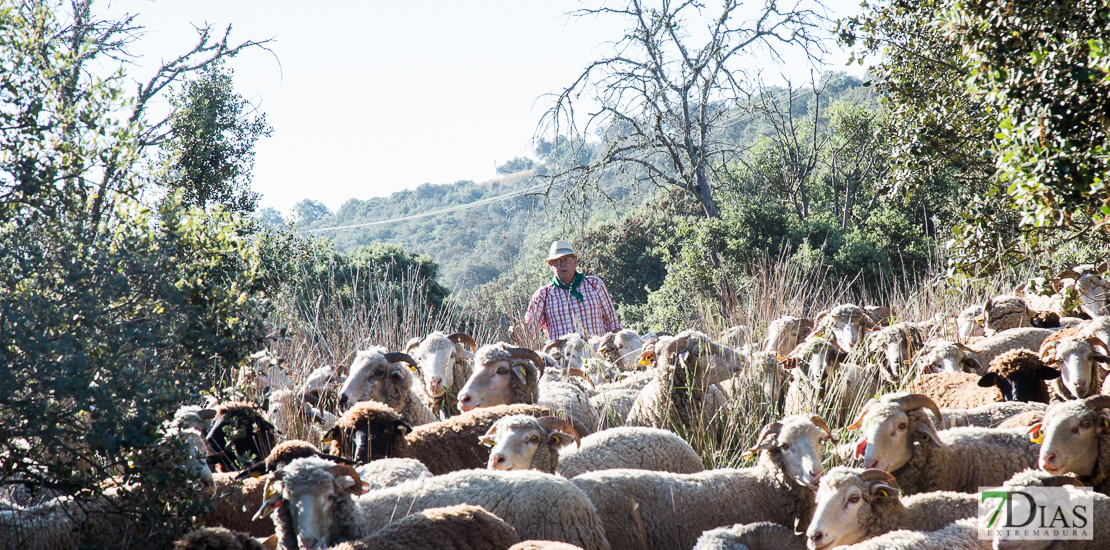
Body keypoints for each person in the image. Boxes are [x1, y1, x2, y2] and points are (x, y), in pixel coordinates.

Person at [521, 240, 621, 340]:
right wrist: (518, 332)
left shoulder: (594, 284)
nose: (563, 264)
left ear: (575, 262)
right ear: (551, 266)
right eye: (557, 261)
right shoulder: (543, 295)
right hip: (563, 354)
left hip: (595, 354)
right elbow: (528, 331)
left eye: (567, 259)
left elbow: (614, 325)